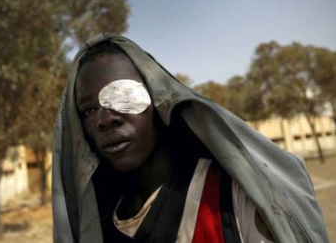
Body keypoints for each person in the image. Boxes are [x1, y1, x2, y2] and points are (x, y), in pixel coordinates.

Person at [52, 33, 329, 243]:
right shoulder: (97, 223)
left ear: (158, 103)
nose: (105, 119)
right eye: (88, 110)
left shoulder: (232, 197)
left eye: (122, 96)